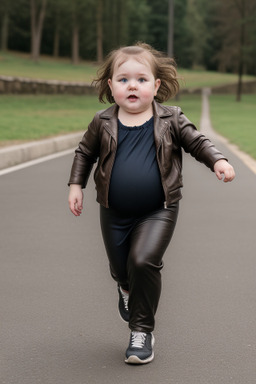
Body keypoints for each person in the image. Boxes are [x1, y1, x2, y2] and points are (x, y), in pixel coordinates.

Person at [68, 42, 235, 365]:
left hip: (158, 210)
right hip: (113, 212)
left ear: (156, 86)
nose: (133, 85)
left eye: (142, 79)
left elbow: (197, 141)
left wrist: (218, 160)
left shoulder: (171, 118)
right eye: (124, 79)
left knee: (143, 261)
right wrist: (76, 184)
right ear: (110, 86)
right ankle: (127, 290)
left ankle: (141, 331)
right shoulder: (102, 122)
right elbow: (84, 154)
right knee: (122, 270)